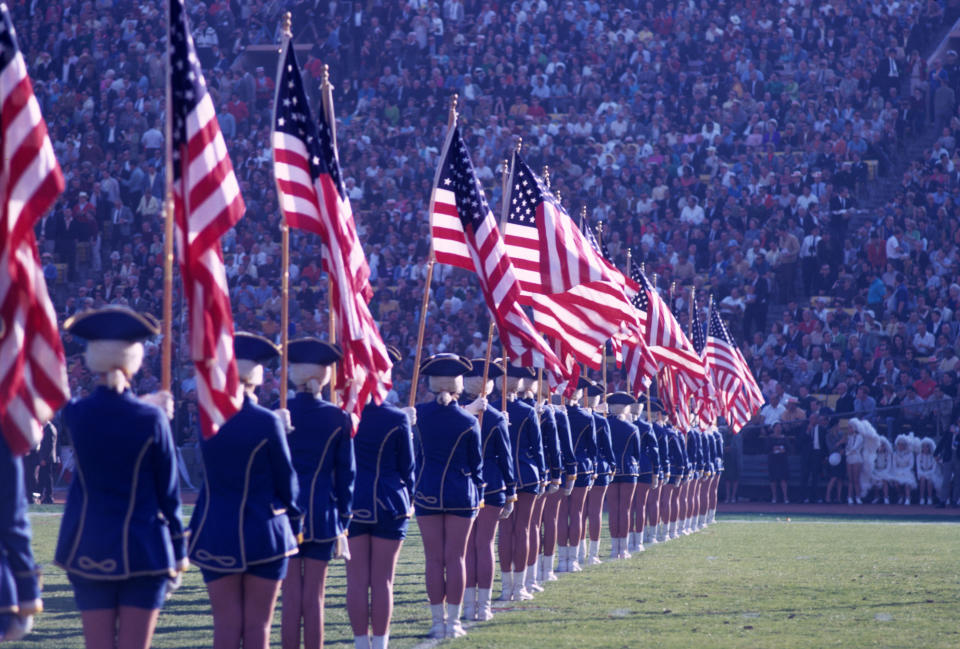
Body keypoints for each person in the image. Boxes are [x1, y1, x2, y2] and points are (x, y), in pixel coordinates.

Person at [55, 307, 186, 649]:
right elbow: (169, 492)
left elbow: (107, 412)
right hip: (144, 546)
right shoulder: (151, 418)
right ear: (134, 360)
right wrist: (178, 547)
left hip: (89, 542)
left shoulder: (77, 414)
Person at [188, 333, 301, 649]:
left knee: (225, 626)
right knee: (257, 628)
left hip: (215, 528)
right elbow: (287, 481)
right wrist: (296, 522)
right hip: (264, 530)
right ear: (257, 376)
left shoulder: (206, 414)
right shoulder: (266, 421)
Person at [282, 338, 355, 649]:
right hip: (323, 513)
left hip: (282, 516)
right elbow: (346, 474)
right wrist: (345, 517)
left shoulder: (276, 412)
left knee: (289, 599)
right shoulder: (337, 417)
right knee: (315, 597)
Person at [347, 345, 415, 649]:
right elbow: (408, 468)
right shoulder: (396, 417)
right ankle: (381, 644)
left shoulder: (346, 415)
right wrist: (409, 499)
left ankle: (362, 643)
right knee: (384, 581)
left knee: (357, 580)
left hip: (353, 502)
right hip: (390, 502)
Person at [413, 354, 483, 639]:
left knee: (433, 559)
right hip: (461, 493)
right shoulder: (468, 420)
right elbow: (476, 464)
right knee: (456, 558)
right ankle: (453, 623)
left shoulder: (417, 414)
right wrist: (479, 491)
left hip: (426, 491)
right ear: (458, 387)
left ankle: (436, 621)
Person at [461, 357, 514, 623]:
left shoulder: (457, 414)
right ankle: (483, 606)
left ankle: (469, 606)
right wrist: (512, 491)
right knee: (484, 546)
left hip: (462, 486)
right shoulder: (496, 417)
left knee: (468, 548)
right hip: (492, 487)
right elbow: (506, 458)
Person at [493, 363, 544, 600]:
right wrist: (543, 474)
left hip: (500, 477)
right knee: (523, 529)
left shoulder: (489, 409)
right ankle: (519, 586)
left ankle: (506, 588)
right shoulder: (527, 410)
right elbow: (538, 447)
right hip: (526, 474)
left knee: (505, 531)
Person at [557, 377, 596, 571]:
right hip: (581, 466)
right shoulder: (587, 417)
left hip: (560, 466)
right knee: (577, 513)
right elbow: (592, 448)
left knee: (561, 514)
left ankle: (562, 559)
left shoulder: (556, 414)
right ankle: (573, 560)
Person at [605, 393, 641, 559]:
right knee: (625, 509)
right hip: (628, 468)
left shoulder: (604, 424)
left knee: (613, 509)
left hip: (610, 470)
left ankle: (614, 549)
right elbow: (637, 452)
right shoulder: (633, 428)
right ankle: (623, 549)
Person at [583, 381, 614, 564]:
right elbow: (608, 449)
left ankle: (577, 553)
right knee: (595, 511)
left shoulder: (574, 416)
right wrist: (612, 465)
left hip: (580, 467)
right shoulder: (601, 420)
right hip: (599, 468)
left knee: (577, 512)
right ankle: (592, 554)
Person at [890, 434, 918, 505]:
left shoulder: (910, 454)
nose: (900, 446)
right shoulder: (895, 454)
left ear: (905, 445)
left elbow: (911, 465)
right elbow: (894, 465)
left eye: (902, 444)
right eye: (899, 444)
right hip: (897, 472)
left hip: (908, 471)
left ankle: (908, 498)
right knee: (896, 483)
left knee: (907, 483)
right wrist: (899, 471)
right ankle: (901, 496)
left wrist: (904, 471)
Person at [767, 423, 790, 504]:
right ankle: (774, 497)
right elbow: (766, 448)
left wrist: (783, 450)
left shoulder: (785, 438)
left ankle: (785, 497)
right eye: (776, 427)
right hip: (773, 461)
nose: (778, 429)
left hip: (782, 461)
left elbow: (789, 448)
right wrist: (773, 448)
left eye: (779, 427)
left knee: (783, 479)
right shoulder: (770, 438)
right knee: (773, 480)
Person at [916, 437, 942, 506]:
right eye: (923, 446)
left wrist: (927, 474)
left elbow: (934, 468)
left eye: (927, 446)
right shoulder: (919, 456)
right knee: (922, 479)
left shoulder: (933, 456)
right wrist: (923, 474)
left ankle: (929, 498)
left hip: (932, 474)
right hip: (922, 474)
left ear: (930, 447)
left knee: (930, 480)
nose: (925, 448)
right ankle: (921, 498)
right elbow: (919, 469)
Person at [843, 421, 864, 504]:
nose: (849, 429)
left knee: (856, 479)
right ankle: (849, 497)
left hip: (856, 458)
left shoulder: (859, 437)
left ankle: (858, 497)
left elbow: (855, 447)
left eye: (850, 427)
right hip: (849, 458)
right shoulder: (848, 437)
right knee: (850, 479)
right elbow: (847, 447)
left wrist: (847, 453)